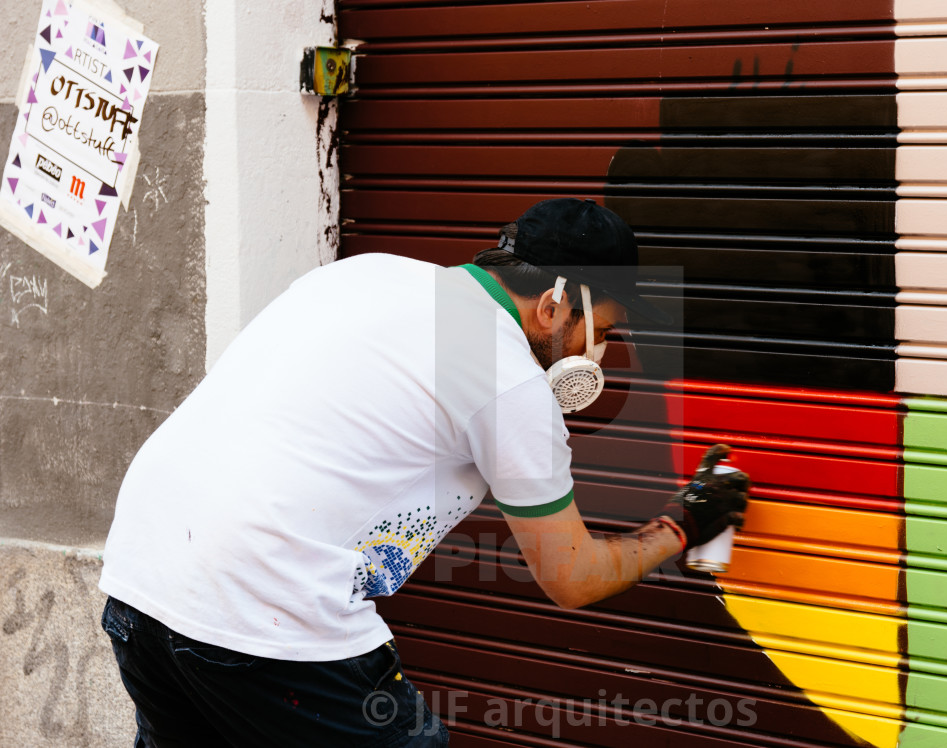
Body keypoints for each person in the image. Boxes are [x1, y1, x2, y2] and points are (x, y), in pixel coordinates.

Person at [98, 197, 748, 747]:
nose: (597, 354)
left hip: (143, 578)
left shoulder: (366, 274)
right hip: (266, 607)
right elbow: (572, 578)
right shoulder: (508, 378)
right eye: (599, 331)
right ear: (554, 307)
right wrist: (683, 523)